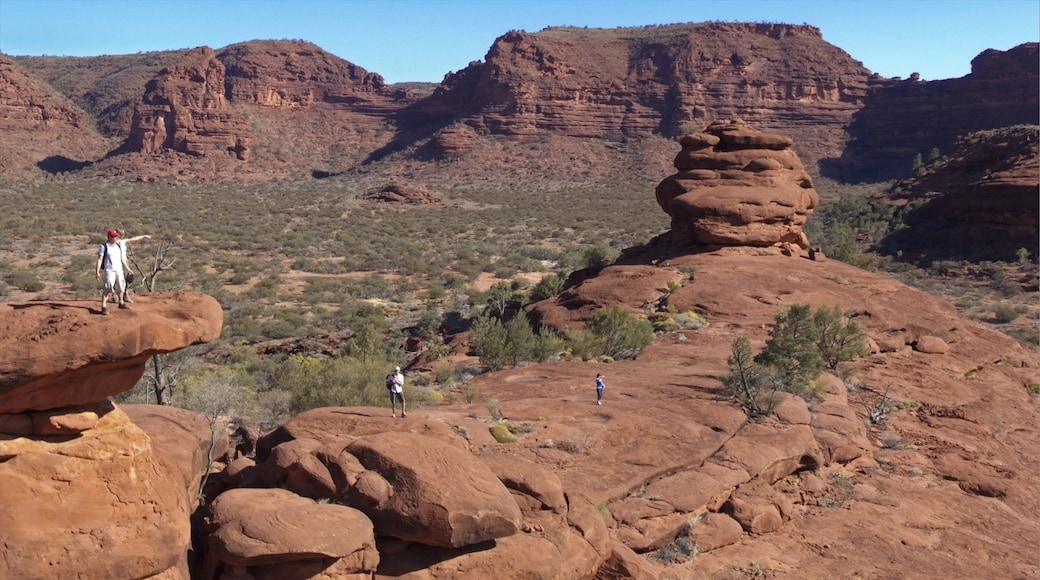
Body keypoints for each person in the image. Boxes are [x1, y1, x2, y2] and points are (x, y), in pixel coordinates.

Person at [95, 229, 131, 315]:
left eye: (116, 236)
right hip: (109, 270)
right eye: (114, 237)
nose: (116, 238)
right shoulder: (104, 246)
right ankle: (104, 306)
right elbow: (100, 259)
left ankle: (121, 302)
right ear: (109, 237)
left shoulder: (118, 245)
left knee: (121, 286)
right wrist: (97, 271)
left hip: (119, 269)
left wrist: (128, 268)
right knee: (108, 288)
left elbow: (122, 259)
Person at [117, 232, 151, 303]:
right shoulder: (112, 243)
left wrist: (144, 236)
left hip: (124, 261)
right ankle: (115, 295)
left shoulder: (123, 241)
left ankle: (125, 294)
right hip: (115, 262)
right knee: (116, 279)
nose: (122, 235)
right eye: (121, 234)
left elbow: (133, 239)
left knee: (127, 277)